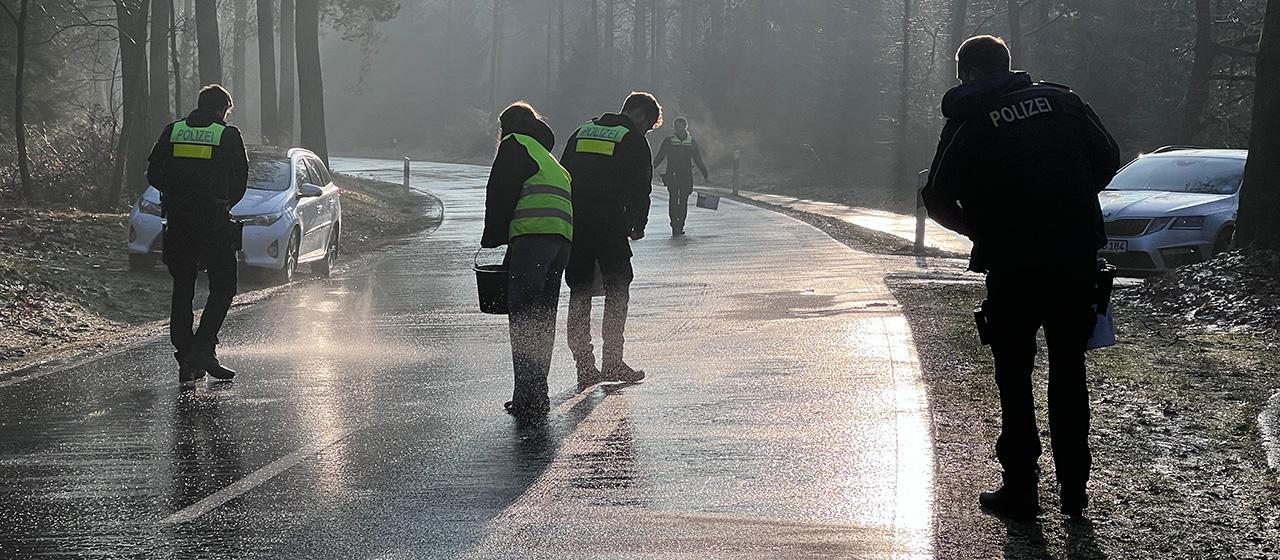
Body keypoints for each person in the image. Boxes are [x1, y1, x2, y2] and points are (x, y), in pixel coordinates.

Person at [922, 35, 1120, 519]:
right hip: (1074, 260)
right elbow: (1108, 157)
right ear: (1007, 66)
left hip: (1012, 265)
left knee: (1014, 376)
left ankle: (1021, 490)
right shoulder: (1063, 101)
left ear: (966, 73)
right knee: (1069, 372)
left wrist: (982, 230)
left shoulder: (968, 119)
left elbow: (937, 196)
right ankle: (1075, 492)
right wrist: (1068, 200)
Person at [146, 84, 249, 383]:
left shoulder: (173, 130)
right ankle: (203, 347)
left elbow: (153, 173)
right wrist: (222, 201)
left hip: (178, 222)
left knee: (183, 287)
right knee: (224, 285)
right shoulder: (228, 135)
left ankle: (186, 356)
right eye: (226, 112)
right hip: (213, 222)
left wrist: (176, 194)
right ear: (221, 109)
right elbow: (240, 180)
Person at [559, 92, 662, 388]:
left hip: (578, 224)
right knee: (618, 288)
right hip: (609, 225)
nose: (646, 132)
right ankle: (613, 361)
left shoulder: (581, 131)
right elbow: (640, 188)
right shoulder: (632, 139)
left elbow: (563, 174)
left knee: (579, 291)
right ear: (640, 115)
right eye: (649, 127)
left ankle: (585, 366)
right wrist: (637, 225)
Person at [480, 102, 573, 419]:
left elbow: (500, 191)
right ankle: (538, 394)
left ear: (505, 126)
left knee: (522, 316)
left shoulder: (513, 144)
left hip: (533, 237)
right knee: (543, 316)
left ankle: (526, 399)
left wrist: (492, 237)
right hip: (560, 240)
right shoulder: (545, 154)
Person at [652, 117, 709, 236]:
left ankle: (680, 225)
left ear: (685, 127)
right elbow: (660, 156)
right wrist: (650, 169)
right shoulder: (669, 141)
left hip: (686, 176)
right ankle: (674, 225)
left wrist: (705, 175)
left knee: (683, 201)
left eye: (680, 126)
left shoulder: (691, 142)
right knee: (673, 200)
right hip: (671, 174)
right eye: (676, 126)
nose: (678, 128)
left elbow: (698, 159)